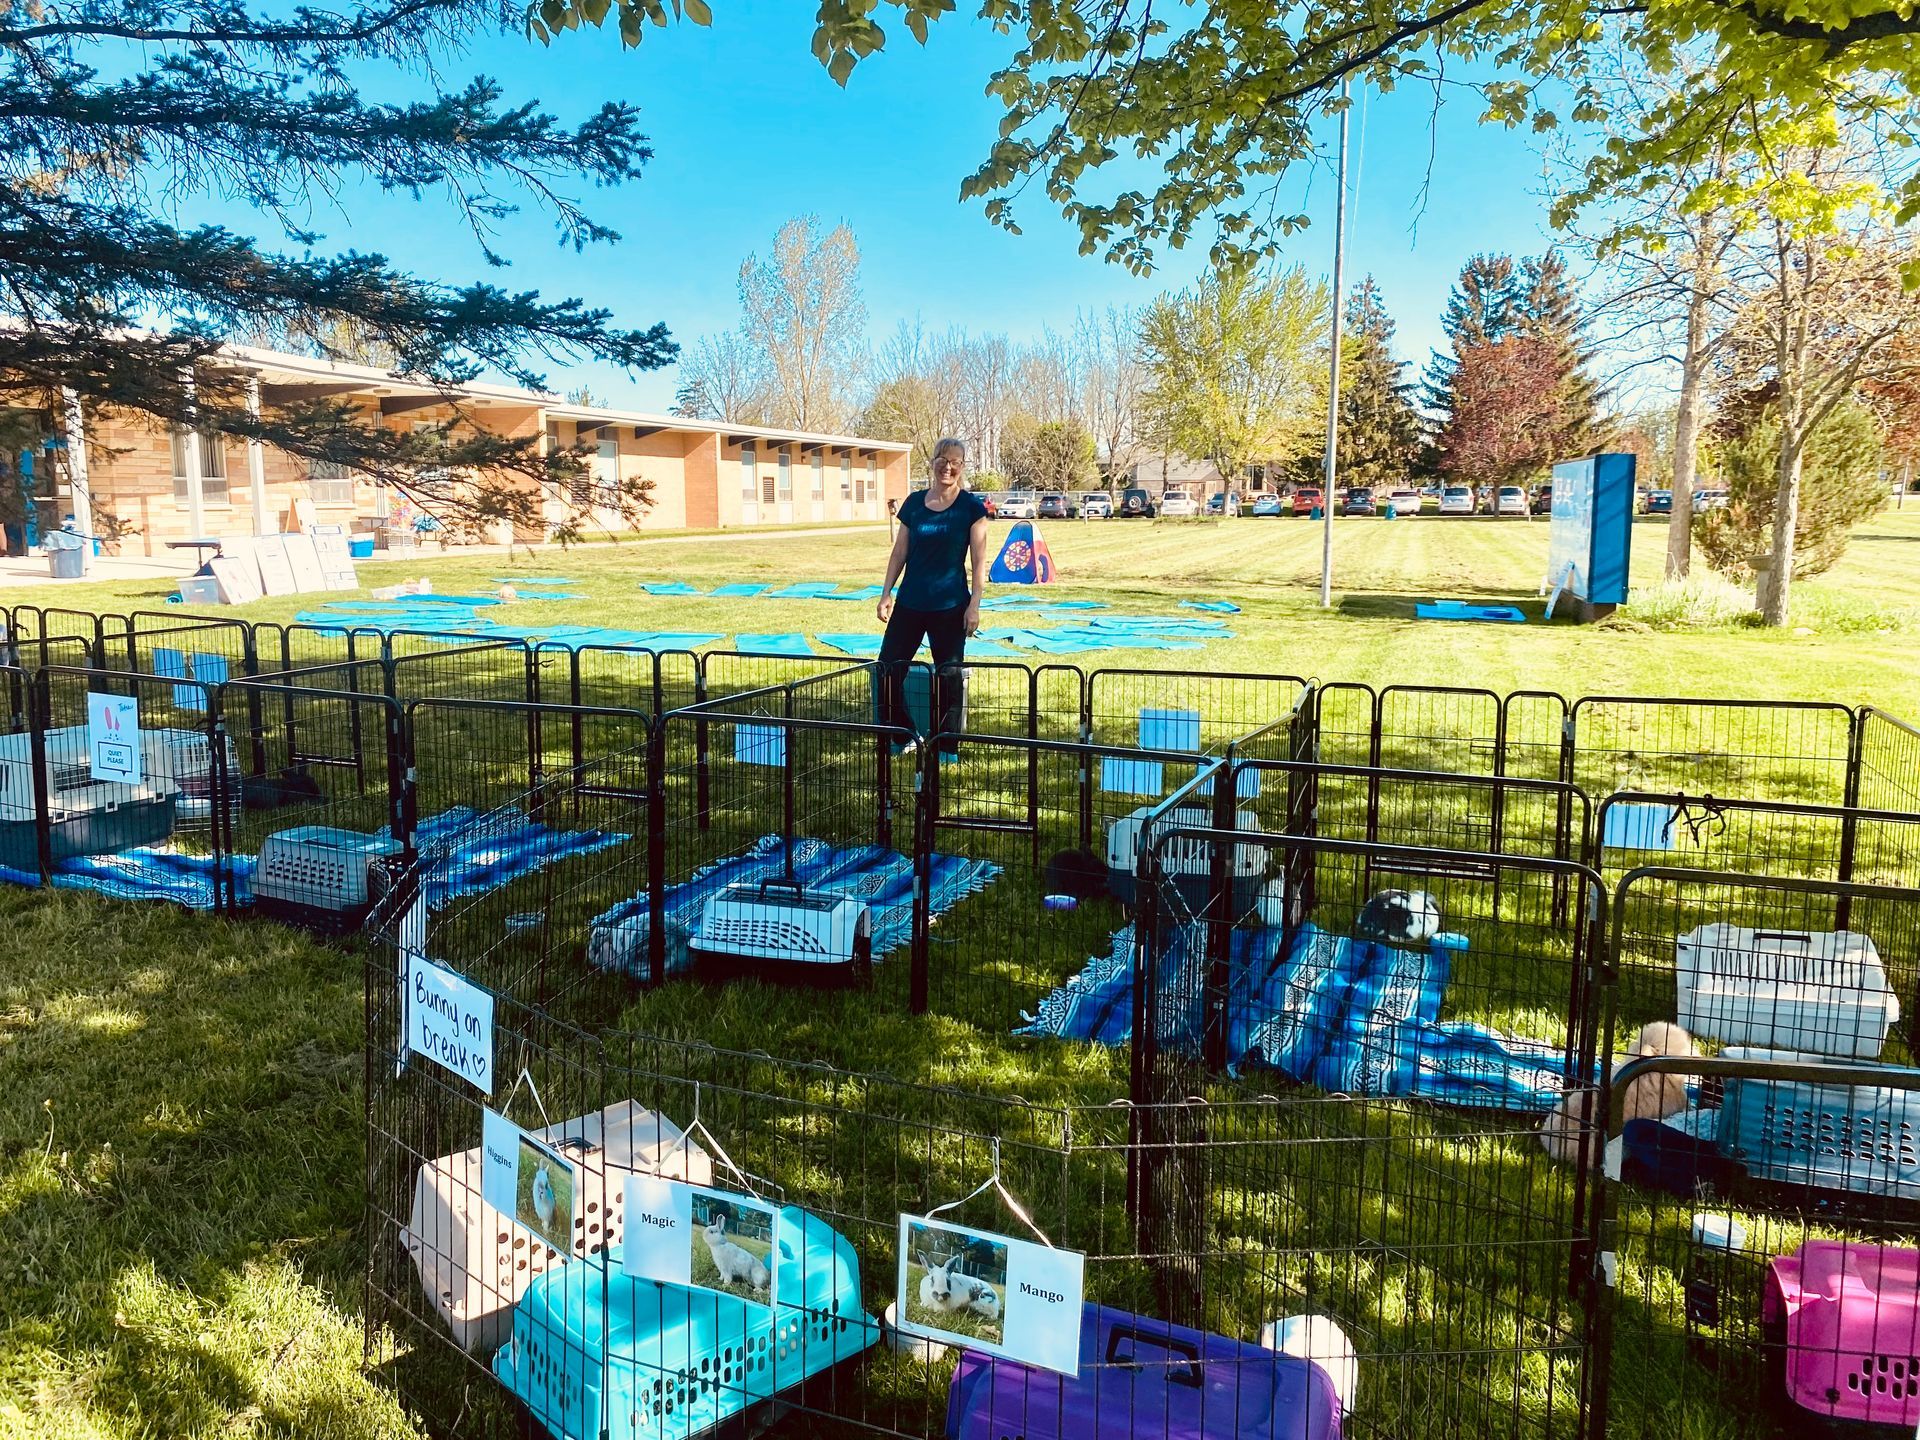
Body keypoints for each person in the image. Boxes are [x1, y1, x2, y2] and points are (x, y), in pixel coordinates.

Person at [875, 438, 989, 745]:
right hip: (910, 604)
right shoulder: (914, 504)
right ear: (933, 462)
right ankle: (903, 735)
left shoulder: (972, 508)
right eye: (942, 459)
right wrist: (886, 593)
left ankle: (945, 745)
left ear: (962, 467)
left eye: (955, 462)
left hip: (951, 607)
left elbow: (979, 563)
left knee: (949, 678)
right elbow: (899, 552)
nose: (947, 467)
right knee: (886, 671)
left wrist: (974, 605)